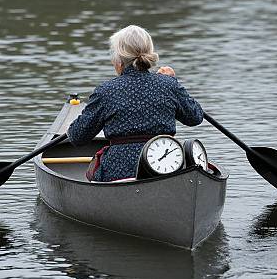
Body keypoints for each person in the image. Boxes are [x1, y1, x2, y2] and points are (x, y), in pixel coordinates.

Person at [67, 25, 203, 182]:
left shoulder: (105, 91)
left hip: (118, 174)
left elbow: (77, 137)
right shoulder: (169, 85)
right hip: (166, 170)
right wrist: (174, 82)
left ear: (119, 59)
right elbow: (195, 117)